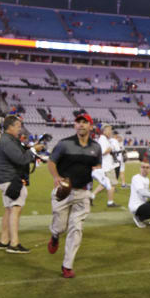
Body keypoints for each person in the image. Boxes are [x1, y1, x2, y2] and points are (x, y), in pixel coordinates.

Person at [46, 113, 102, 278]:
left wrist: (101, 176)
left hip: (83, 192)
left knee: (76, 229)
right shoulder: (64, 144)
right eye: (78, 122)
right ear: (74, 126)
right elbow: (51, 162)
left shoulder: (96, 147)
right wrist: (56, 177)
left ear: (90, 126)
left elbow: (97, 166)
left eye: (85, 122)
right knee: (60, 227)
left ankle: (67, 266)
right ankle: (55, 236)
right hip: (63, 191)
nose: (81, 125)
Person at [0, 115, 44, 253]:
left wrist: (31, 148)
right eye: (18, 125)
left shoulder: (7, 139)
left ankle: (4, 241)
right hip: (11, 179)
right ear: (10, 126)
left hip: (6, 178)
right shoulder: (7, 140)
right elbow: (20, 159)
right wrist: (34, 150)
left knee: (9, 209)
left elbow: (20, 152)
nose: (20, 128)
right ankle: (14, 244)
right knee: (15, 209)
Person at [92, 124, 118, 206]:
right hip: (107, 166)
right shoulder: (103, 139)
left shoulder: (104, 139)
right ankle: (110, 202)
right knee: (112, 183)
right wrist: (112, 148)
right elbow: (102, 152)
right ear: (104, 131)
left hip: (106, 165)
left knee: (104, 183)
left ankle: (91, 196)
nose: (111, 132)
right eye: (109, 130)